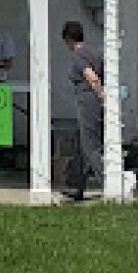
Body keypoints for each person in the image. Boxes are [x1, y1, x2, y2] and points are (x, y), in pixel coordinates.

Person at [61, 20, 105, 200]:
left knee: (90, 146)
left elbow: (91, 77)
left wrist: (102, 97)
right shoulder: (93, 52)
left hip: (88, 101)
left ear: (68, 39)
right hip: (92, 100)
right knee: (82, 146)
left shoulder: (78, 55)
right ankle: (78, 186)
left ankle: (109, 184)